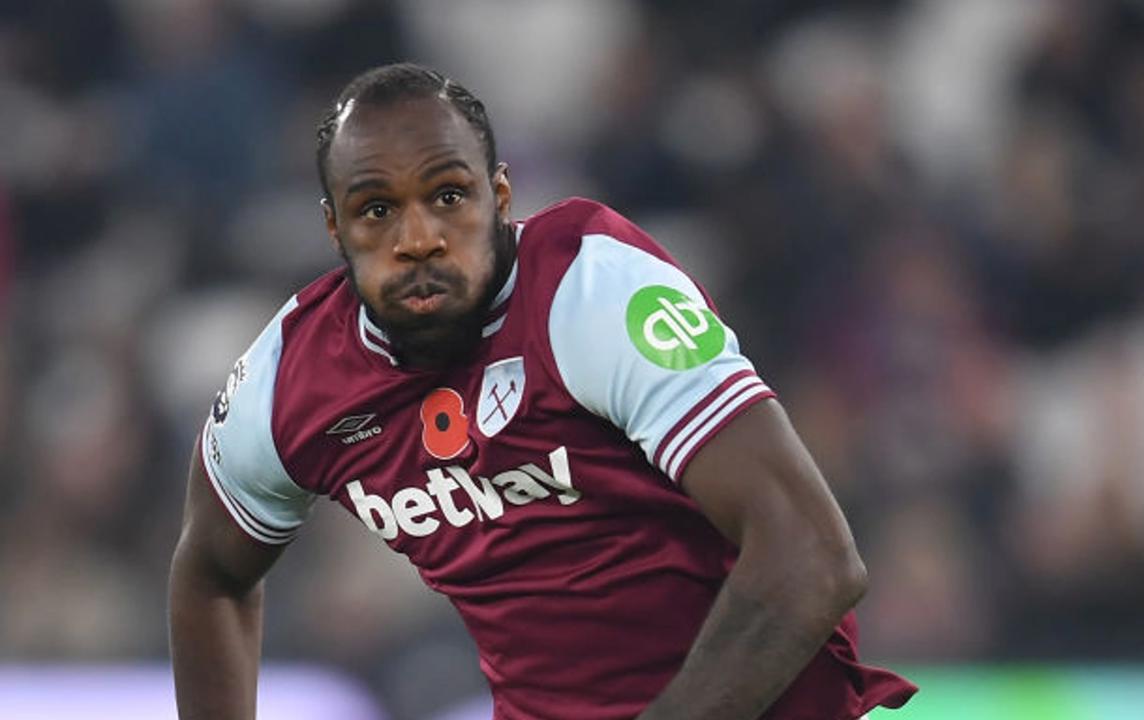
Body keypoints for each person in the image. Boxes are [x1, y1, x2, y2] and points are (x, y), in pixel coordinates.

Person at [168, 63, 917, 720]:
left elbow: (812, 556)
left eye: (449, 196)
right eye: (376, 210)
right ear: (334, 229)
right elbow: (211, 574)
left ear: (500, 196)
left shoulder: (591, 294)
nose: (418, 236)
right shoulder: (290, 383)